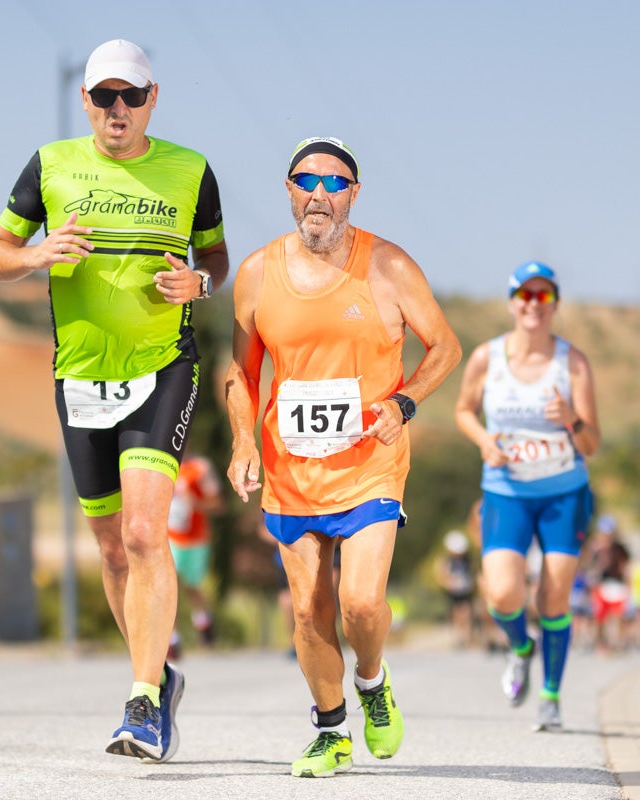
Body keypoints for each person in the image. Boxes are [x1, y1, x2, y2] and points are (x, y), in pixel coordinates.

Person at [0, 39, 229, 763]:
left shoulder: (190, 170)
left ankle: (144, 702)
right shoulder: (51, 165)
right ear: (85, 102)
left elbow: (214, 256)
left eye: (132, 96)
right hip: (80, 378)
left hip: (163, 368)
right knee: (114, 549)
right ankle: (156, 675)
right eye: (104, 96)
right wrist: (37, 254)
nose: (117, 110)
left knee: (150, 536)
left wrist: (201, 285)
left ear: (154, 99)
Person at [224, 136, 461, 777]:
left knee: (359, 603)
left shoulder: (388, 266)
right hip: (292, 467)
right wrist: (243, 441)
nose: (320, 194)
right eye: (308, 180)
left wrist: (404, 402)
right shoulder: (255, 273)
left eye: (335, 183)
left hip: (370, 463)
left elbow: (444, 347)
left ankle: (373, 680)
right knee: (307, 610)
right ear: (289, 189)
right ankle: (331, 731)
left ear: (353, 193)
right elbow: (242, 374)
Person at [454, 260, 600, 733]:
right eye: (526, 295)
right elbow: (463, 411)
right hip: (507, 491)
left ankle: (551, 696)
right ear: (513, 301)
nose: (534, 305)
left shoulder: (572, 363)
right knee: (501, 592)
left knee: (554, 598)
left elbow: (593, 443)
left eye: (544, 296)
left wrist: (571, 421)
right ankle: (521, 648)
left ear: (554, 303)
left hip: (563, 493)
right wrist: (483, 441)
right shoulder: (486, 358)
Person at [164, 451, 223, 661]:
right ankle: (172, 641)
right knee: (170, 587)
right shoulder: (161, 462)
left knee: (193, 587)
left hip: (197, 539)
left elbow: (216, 504)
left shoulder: (201, 467)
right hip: (170, 537)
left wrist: (194, 502)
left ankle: (205, 626)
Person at [434, 530, 477, 648]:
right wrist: (448, 583)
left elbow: (472, 574)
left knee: (467, 612)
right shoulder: (447, 561)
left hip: (466, 590)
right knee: (456, 613)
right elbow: (442, 575)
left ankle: (467, 637)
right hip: (453, 592)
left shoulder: (467, 560)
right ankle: (459, 636)